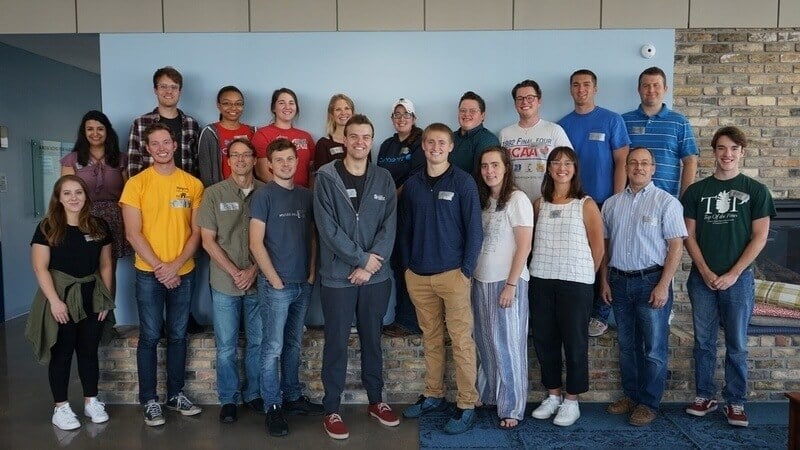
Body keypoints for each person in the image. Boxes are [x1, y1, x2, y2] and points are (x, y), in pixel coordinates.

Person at [681, 126, 775, 427]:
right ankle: (705, 395)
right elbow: (688, 236)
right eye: (722, 148)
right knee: (704, 342)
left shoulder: (756, 191)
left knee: (737, 343)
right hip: (702, 280)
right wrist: (706, 271)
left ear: (742, 152)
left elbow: (759, 238)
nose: (727, 154)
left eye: (734, 148)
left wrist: (734, 274)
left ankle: (736, 401)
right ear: (714, 151)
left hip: (739, 280)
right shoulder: (696, 191)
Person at [314, 115, 400, 440]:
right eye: (354, 137)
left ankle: (376, 401)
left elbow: (388, 227)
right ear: (345, 140)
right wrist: (361, 258)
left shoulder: (384, 179)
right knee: (335, 342)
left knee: (372, 341)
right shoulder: (325, 177)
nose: (360, 142)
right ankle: (332, 408)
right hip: (337, 277)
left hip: (376, 278)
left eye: (366, 137)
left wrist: (369, 266)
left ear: (371, 140)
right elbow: (327, 229)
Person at [401, 123, 483, 435]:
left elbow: (475, 230)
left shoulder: (463, 182)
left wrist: (466, 271)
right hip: (419, 276)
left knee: (462, 341)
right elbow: (406, 229)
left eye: (441, 143)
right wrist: (408, 267)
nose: (435, 147)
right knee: (431, 338)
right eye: (430, 142)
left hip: (453, 275)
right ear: (423, 146)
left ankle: (466, 404)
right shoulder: (413, 184)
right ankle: (434, 394)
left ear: (450, 147)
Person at [120, 123, 204, 426]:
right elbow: (132, 233)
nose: (161, 148)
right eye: (154, 144)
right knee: (151, 336)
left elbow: (197, 233)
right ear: (147, 149)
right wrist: (161, 267)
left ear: (174, 144)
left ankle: (175, 395)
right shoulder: (136, 184)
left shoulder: (193, 184)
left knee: (179, 335)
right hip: (148, 274)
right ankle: (150, 400)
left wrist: (175, 265)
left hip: (184, 272)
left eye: (165, 142)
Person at [599, 147, 687, 426]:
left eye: (644, 163)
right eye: (633, 163)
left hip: (652, 282)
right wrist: (604, 280)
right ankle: (632, 395)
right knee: (627, 346)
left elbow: (676, 247)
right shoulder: (611, 204)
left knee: (653, 349)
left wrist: (663, 286)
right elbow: (605, 246)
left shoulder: (667, 202)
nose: (638, 167)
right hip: (619, 282)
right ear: (625, 167)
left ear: (653, 169)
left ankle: (649, 403)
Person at [26, 175, 115, 431]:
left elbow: (106, 264)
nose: (74, 198)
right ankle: (61, 408)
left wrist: (105, 300)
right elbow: (40, 267)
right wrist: (54, 302)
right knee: (62, 353)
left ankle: (91, 401)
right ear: (58, 198)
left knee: (88, 351)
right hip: (60, 297)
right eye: (67, 193)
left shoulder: (99, 226)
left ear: (86, 195)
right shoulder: (47, 227)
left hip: (92, 296)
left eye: (78, 192)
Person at [249, 138, 323, 437]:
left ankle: (292, 397)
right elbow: (255, 242)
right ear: (269, 164)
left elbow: (314, 237)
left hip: (302, 284)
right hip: (276, 286)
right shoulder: (263, 196)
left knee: (293, 345)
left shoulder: (307, 196)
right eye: (278, 160)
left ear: (297, 161)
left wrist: (311, 271)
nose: (285, 164)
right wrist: (274, 279)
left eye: (290, 159)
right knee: (273, 348)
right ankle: (273, 406)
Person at [529, 147, 604, 427]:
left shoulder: (585, 204)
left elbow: (598, 247)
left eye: (568, 163)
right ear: (548, 169)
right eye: (556, 163)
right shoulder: (539, 204)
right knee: (545, 341)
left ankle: (572, 400)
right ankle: (553, 395)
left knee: (574, 343)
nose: (562, 168)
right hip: (541, 280)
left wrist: (585, 275)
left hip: (576, 284)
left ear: (575, 169)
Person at [558, 69, 631, 338]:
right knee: (578, 257)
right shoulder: (562, 125)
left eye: (586, 85)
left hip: (603, 201)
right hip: (573, 203)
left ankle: (601, 312)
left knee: (603, 258)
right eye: (576, 85)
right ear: (570, 90)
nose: (581, 89)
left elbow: (622, 160)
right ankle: (581, 311)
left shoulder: (612, 120)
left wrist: (616, 198)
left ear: (595, 89)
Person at [197, 138, 264, 424]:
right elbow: (207, 241)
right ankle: (228, 399)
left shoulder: (266, 192)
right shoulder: (213, 194)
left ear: (253, 159)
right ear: (228, 160)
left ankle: (255, 394)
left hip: (258, 281)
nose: (240, 160)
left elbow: (274, 240)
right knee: (225, 345)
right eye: (234, 155)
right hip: (224, 283)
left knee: (258, 342)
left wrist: (252, 271)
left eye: (245, 155)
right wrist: (236, 271)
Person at [473, 147, 533, 429]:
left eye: (495, 165)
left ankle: (512, 407)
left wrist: (511, 284)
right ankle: (489, 395)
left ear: (506, 167)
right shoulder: (484, 201)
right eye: (485, 166)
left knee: (509, 345)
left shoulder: (517, 199)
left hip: (508, 282)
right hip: (481, 280)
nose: (490, 171)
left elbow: (524, 245)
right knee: (486, 343)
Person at [61, 110, 132, 271]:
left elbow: (128, 196)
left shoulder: (121, 159)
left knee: (108, 268)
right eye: (90, 129)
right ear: (83, 132)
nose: (95, 133)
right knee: (85, 266)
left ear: (107, 131)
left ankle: (107, 297)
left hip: (114, 218)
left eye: (100, 128)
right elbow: (65, 195)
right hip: (83, 217)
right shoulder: (72, 160)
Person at [378, 98, 425, 337]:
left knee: (409, 265)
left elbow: (416, 178)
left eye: (406, 114)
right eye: (397, 114)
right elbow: (379, 177)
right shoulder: (387, 145)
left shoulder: (420, 142)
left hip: (411, 212)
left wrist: (390, 196)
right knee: (395, 265)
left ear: (414, 118)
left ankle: (411, 321)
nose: (401, 118)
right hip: (389, 214)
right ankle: (400, 318)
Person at [622, 66, 698, 198]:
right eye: (646, 85)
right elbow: (618, 161)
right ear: (639, 89)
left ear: (665, 89)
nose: (651, 90)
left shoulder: (680, 122)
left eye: (656, 85)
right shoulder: (623, 121)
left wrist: (685, 198)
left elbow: (690, 161)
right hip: (630, 199)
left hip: (667, 200)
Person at [500, 79, 572, 203]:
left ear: (539, 101)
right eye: (520, 98)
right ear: (515, 103)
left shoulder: (554, 130)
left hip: (548, 200)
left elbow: (570, 164)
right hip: (515, 202)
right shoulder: (505, 134)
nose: (524, 102)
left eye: (530, 97)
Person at [128, 66, 200, 177]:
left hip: (184, 191)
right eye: (163, 86)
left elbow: (197, 164)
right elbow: (133, 166)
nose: (169, 91)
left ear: (180, 91)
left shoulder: (192, 124)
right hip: (150, 190)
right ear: (155, 90)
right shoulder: (140, 124)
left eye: (174, 87)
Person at [252, 88, 315, 188]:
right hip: (276, 195)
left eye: (291, 103)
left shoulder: (306, 136)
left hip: (304, 197)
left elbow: (312, 171)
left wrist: (310, 194)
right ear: (273, 108)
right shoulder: (262, 134)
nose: (287, 107)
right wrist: (286, 191)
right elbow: (261, 172)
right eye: (282, 103)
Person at [197, 86, 256, 187]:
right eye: (226, 103)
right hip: (221, 193)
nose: (233, 107)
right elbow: (205, 170)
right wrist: (214, 195)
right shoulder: (210, 132)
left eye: (238, 103)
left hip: (250, 192)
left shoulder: (253, 132)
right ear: (218, 105)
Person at [449, 91, 500, 173]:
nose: (466, 114)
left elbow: (481, 175)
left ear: (482, 116)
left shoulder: (488, 140)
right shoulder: (450, 137)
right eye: (463, 110)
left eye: (473, 111)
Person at [313, 93, 355, 171]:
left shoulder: (361, 142)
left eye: (347, 108)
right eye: (338, 109)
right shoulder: (323, 144)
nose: (343, 113)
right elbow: (321, 177)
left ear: (352, 113)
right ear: (331, 114)